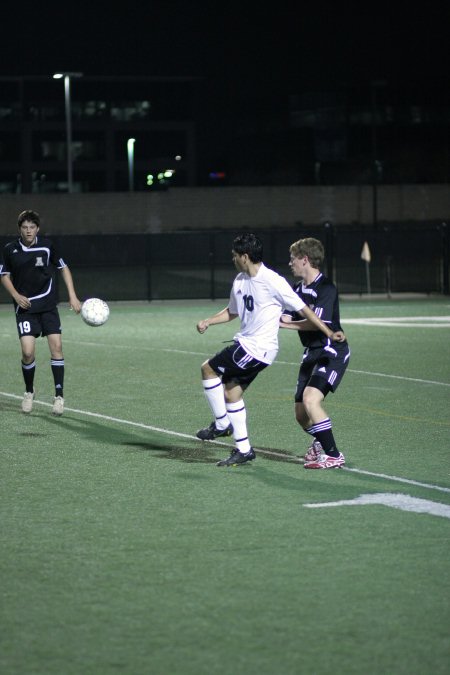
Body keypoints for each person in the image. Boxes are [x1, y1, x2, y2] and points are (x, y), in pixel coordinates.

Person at [195, 233, 345, 467]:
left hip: (255, 348)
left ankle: (222, 424)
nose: (233, 259)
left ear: (245, 257)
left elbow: (305, 310)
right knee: (232, 393)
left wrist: (328, 333)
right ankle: (244, 450)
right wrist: (208, 321)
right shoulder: (240, 280)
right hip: (254, 346)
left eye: (235, 256)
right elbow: (232, 311)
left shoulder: (273, 280)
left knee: (208, 369)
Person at [0, 210, 82, 415]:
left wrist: (73, 295)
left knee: (57, 347)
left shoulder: (47, 246)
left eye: (32, 227)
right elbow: (3, 274)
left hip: (47, 306)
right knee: (27, 353)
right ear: (19, 229)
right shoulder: (10, 249)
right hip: (25, 308)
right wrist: (16, 295)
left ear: (38, 228)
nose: (28, 231)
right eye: (25, 227)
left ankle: (59, 396)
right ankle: (29, 391)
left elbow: (64, 268)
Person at [280, 237, 350, 469]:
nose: (290, 263)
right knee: (301, 414)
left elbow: (316, 323)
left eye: (293, 259)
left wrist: (285, 325)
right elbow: (286, 315)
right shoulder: (296, 289)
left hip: (331, 350)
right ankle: (320, 442)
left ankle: (333, 455)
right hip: (311, 352)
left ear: (305, 260)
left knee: (311, 399)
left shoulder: (326, 288)